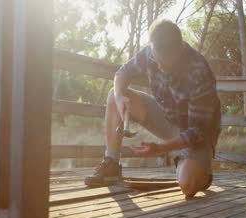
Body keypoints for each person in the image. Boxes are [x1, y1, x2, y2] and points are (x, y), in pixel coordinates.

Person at [84, 19, 221, 198]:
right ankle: (111, 163)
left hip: (197, 132)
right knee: (112, 94)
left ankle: (198, 170)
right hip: (167, 118)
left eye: (168, 65)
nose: (161, 69)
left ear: (180, 49)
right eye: (158, 62)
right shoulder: (149, 53)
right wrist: (119, 98)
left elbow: (197, 132)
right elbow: (122, 74)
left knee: (188, 186)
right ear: (152, 49)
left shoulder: (199, 70)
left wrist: (160, 148)